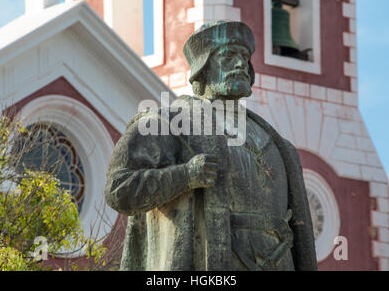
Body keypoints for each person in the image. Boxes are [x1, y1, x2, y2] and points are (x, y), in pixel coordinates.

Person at [105, 21, 317, 270]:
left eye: (244, 57)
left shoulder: (281, 147)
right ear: (203, 69)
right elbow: (119, 190)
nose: (240, 64)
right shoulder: (166, 123)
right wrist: (185, 175)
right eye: (228, 56)